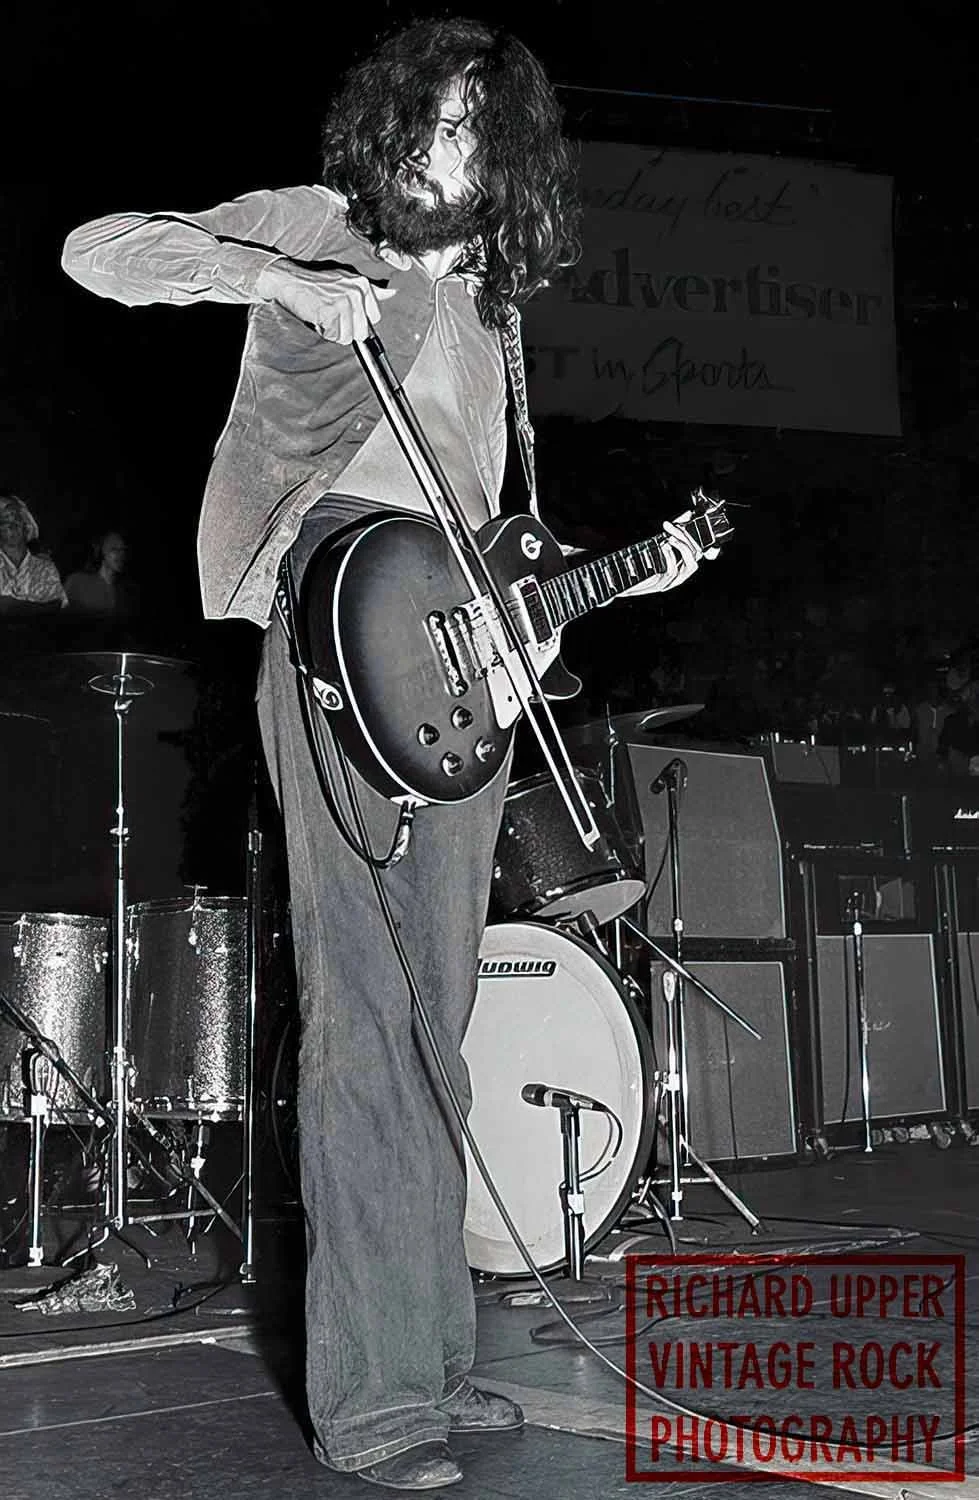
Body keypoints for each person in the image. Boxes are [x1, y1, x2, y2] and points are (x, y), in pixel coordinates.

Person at [62, 18, 707, 1490]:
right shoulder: (319, 231)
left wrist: (545, 617)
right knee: (358, 1015)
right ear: (386, 129)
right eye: (425, 125)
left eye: (474, 135)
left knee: (438, 1019)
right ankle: (369, 1404)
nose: (442, 155)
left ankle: (433, 1361)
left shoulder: (496, 319)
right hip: (330, 637)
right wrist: (276, 278)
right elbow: (100, 251)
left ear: (509, 164)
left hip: (454, 685)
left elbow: (484, 546)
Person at [0, 492, 68, 616]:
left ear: (26, 522)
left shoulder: (45, 568)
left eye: (15, 516)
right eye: (4, 519)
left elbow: (58, 606)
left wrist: (13, 606)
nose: (11, 525)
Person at [64, 529, 138, 617]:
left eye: (123, 550)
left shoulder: (129, 591)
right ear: (101, 551)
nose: (121, 554)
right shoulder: (76, 581)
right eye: (114, 549)